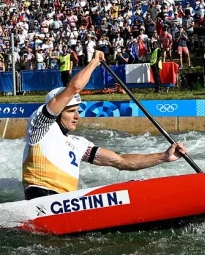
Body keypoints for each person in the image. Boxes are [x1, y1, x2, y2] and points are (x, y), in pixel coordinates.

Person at [22, 51, 188, 200]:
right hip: (41, 201)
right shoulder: (40, 127)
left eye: (77, 110)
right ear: (57, 112)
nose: (77, 116)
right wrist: (94, 61)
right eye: (71, 111)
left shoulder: (79, 144)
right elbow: (73, 88)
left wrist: (164, 157)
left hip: (66, 203)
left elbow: (121, 161)